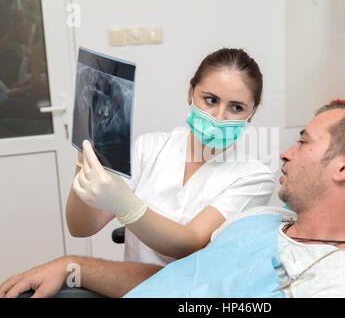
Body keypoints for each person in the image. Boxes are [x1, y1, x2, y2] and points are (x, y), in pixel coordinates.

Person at [0, 48, 274, 298]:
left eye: (236, 107)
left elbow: (190, 243)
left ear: (252, 112)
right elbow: (81, 227)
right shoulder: (150, 148)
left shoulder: (254, 177)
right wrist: (85, 160)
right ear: (190, 93)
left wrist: (126, 206)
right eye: (210, 100)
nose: (219, 116)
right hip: (130, 287)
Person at [123, 102, 345, 298]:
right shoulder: (257, 218)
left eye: (303, 142)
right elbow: (180, 281)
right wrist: (81, 268)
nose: (285, 153)